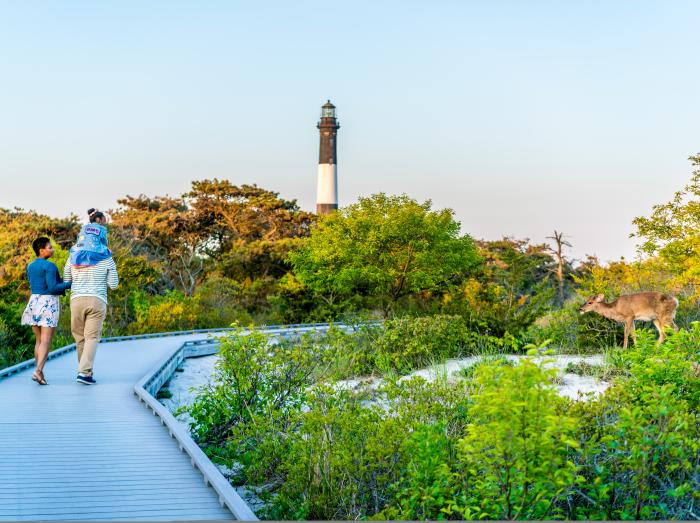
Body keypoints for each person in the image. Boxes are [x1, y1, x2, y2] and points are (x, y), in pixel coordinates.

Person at [64, 211, 119, 385]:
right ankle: (84, 372)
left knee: (80, 338)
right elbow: (114, 284)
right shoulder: (106, 256)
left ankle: (84, 372)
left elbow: (67, 278)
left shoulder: (73, 254)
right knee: (92, 338)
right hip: (97, 299)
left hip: (76, 300)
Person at [21, 237, 72, 385]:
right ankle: (37, 371)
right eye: (50, 247)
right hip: (48, 303)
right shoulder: (50, 266)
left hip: (33, 303)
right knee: (46, 341)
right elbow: (52, 287)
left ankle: (40, 373)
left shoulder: (30, 266)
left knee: (39, 340)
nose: (52, 249)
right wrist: (71, 284)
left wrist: (62, 282)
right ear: (41, 250)